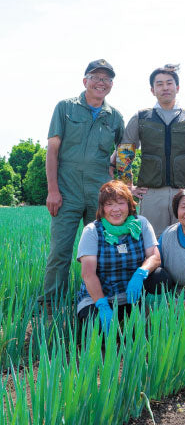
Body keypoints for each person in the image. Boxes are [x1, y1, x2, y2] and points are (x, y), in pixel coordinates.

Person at [41, 59, 125, 303]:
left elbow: (123, 151)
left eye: (107, 79)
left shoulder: (115, 117)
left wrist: (113, 171)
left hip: (100, 196)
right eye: (96, 77)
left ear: (111, 84)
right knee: (60, 251)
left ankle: (97, 300)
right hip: (66, 192)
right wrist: (52, 190)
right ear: (85, 80)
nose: (101, 82)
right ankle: (50, 304)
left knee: (101, 251)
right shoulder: (65, 108)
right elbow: (52, 149)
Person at [116, 64, 185, 238]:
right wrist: (127, 187)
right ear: (152, 90)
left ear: (177, 87)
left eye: (169, 83)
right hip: (151, 193)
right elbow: (124, 153)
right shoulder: (141, 117)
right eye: (159, 84)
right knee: (151, 242)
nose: (165, 87)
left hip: (184, 192)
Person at [77, 180, 170, 333]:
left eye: (121, 203)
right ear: (102, 208)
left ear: (129, 205)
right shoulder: (92, 231)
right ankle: (104, 312)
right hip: (99, 298)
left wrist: (140, 274)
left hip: (131, 295)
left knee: (160, 276)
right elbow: (88, 274)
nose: (115, 209)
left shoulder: (141, 223)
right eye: (109, 204)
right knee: (98, 332)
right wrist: (101, 304)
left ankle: (145, 308)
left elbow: (155, 257)